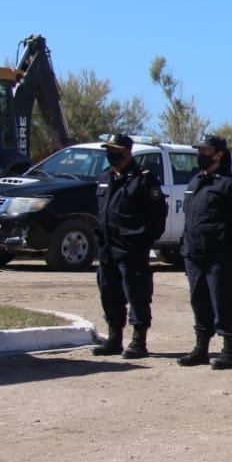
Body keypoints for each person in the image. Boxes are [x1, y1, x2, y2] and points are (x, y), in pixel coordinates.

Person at [177, 134, 232, 370]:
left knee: (224, 302)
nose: (200, 155)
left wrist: (226, 244)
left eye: (205, 151)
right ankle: (201, 348)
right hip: (194, 254)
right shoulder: (196, 182)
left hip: (222, 256)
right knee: (199, 301)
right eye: (199, 151)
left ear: (219, 154)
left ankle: (228, 351)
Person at [92, 134, 168, 358]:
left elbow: (157, 216)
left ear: (127, 152)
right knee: (109, 294)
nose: (110, 154)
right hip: (107, 248)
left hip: (131, 249)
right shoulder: (105, 177)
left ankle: (138, 341)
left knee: (137, 294)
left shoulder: (143, 179)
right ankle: (114, 339)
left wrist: (141, 240)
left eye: (115, 150)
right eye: (108, 150)